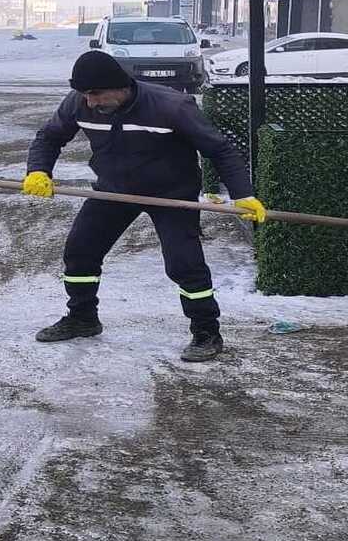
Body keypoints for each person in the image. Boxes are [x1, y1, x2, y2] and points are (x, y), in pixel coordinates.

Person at [21, 51, 267, 363]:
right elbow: (49, 137)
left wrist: (242, 194)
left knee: (184, 264)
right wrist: (38, 170)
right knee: (80, 251)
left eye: (96, 94)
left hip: (171, 194)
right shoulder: (78, 103)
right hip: (114, 191)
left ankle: (206, 332)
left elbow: (219, 149)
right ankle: (83, 317)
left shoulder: (171, 106)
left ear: (119, 86)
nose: (90, 102)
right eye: (85, 95)